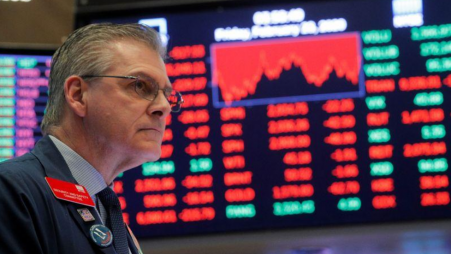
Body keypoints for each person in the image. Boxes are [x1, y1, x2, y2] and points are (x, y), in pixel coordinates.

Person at [0, 23, 183, 254]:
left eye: (168, 96)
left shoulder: (111, 218)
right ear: (78, 95)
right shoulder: (12, 191)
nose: (164, 107)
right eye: (140, 85)